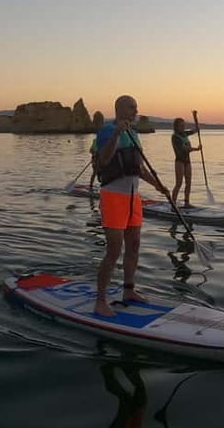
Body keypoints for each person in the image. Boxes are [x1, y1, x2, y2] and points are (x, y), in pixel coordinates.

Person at [94, 95, 169, 317]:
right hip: (113, 196)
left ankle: (129, 291)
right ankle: (100, 301)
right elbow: (105, 160)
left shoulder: (135, 134)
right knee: (114, 250)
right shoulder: (107, 130)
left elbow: (139, 169)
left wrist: (159, 186)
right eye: (131, 107)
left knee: (134, 245)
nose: (135, 110)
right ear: (119, 109)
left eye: (136, 107)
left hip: (133, 197)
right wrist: (117, 132)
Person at [170, 117, 200, 208]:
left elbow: (196, 130)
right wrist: (196, 149)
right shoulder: (175, 137)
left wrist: (195, 120)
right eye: (181, 126)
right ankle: (173, 204)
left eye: (184, 125)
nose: (183, 127)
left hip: (187, 162)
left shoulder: (184, 134)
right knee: (179, 183)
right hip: (179, 162)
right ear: (176, 127)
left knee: (188, 182)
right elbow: (185, 149)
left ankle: (187, 202)